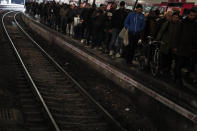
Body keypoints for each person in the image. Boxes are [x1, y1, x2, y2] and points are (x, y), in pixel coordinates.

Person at [175, 9, 197, 87]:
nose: (192, 17)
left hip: (191, 49)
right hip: (182, 47)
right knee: (179, 64)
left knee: (188, 65)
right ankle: (178, 79)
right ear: (188, 15)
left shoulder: (195, 24)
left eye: (194, 15)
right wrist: (176, 46)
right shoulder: (183, 23)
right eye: (191, 15)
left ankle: (185, 77)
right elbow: (178, 35)